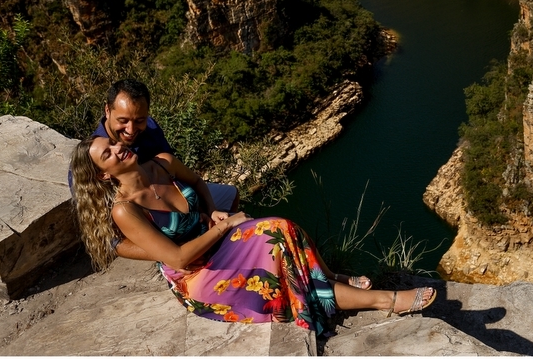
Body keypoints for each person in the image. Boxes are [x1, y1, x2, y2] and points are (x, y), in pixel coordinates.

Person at [70, 136, 437, 334]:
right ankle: (383, 301)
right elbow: (178, 258)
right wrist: (226, 225)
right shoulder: (125, 209)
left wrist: (214, 209)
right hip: (197, 274)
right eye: (108, 153)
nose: (119, 147)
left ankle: (331, 279)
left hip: (217, 241)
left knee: (282, 228)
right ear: (103, 175)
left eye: (113, 143)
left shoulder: (161, 164)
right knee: (275, 275)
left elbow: (197, 181)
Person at [68, 79, 239, 261]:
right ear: (107, 110)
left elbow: (179, 175)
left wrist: (208, 210)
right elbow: (111, 240)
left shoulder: (150, 129)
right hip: (147, 224)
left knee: (231, 194)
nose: (131, 129)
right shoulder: (90, 164)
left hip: (167, 194)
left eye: (139, 120)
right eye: (123, 121)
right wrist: (169, 249)